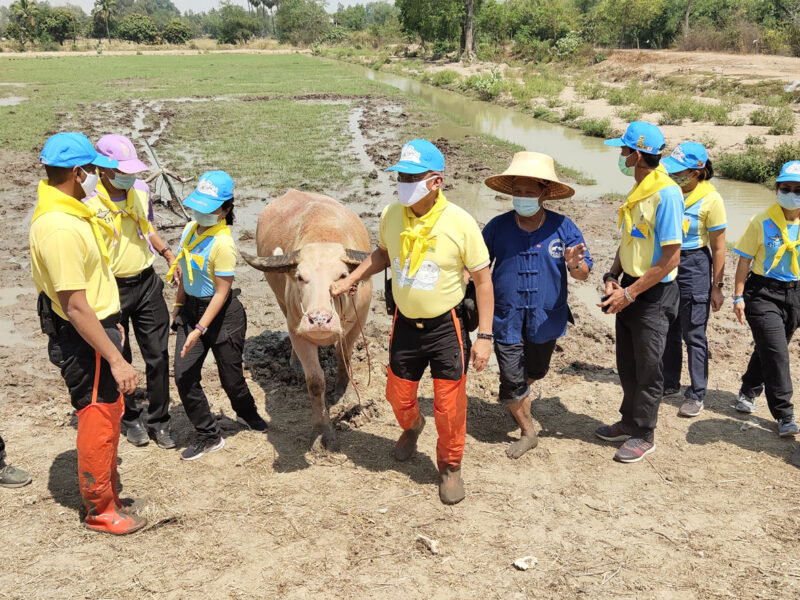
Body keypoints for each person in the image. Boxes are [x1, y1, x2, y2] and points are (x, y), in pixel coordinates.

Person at [331, 139, 494, 505]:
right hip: (405, 324)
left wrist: (485, 335)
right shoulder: (392, 215)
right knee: (397, 394)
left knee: (449, 404)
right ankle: (412, 425)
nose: (402, 182)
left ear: (435, 182)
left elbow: (483, 281)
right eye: (400, 175)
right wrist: (351, 279)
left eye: (411, 176)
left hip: (446, 327)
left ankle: (450, 466)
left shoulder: (460, 223)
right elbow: (384, 253)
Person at [30, 132, 146, 534]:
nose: (100, 177)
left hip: (99, 328)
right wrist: (115, 358)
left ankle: (108, 491)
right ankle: (100, 508)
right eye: (95, 171)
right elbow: (76, 306)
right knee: (98, 415)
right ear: (78, 173)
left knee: (109, 409)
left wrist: (114, 327)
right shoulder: (60, 228)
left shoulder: (71, 212)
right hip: (85, 338)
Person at [482, 152, 592, 458]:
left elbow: (584, 274)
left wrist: (573, 264)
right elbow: (477, 268)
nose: (522, 197)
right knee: (512, 375)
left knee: (536, 371)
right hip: (507, 316)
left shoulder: (562, 226)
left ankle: (519, 395)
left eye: (529, 193)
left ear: (544, 193)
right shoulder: (497, 227)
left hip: (546, 318)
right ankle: (528, 431)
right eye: (517, 192)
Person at [596, 122, 683, 463]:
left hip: (653, 293)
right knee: (627, 363)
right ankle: (629, 420)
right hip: (630, 286)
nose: (620, 156)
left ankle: (645, 433)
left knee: (649, 366)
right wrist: (611, 275)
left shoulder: (667, 194)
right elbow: (629, 239)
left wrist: (629, 294)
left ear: (637, 155)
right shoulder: (640, 188)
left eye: (624, 150)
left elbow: (670, 257)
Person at [85, 134, 178, 449]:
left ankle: (160, 421)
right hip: (112, 289)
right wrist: (104, 304)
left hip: (147, 283)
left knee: (158, 354)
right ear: (103, 168)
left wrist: (167, 254)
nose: (130, 176)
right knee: (120, 357)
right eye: (123, 171)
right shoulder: (88, 201)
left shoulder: (140, 190)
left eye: (132, 171)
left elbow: (146, 227)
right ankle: (130, 418)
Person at [170, 171, 268, 461]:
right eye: (199, 205)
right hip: (191, 311)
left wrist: (199, 329)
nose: (202, 212)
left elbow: (221, 293)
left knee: (231, 377)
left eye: (210, 207)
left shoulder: (224, 245)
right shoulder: (189, 230)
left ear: (225, 209)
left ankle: (247, 414)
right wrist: (177, 309)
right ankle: (208, 435)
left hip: (223, 316)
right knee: (184, 375)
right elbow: (183, 275)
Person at [731, 160, 800, 438]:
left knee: (771, 348)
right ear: (776, 189)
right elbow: (744, 260)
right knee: (777, 353)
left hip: (796, 293)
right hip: (763, 293)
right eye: (787, 188)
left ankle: (748, 390)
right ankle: (785, 413)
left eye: (799, 189)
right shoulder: (761, 221)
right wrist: (737, 296)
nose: (792, 193)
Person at [660, 142, 727, 417]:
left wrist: (717, 286)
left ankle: (697, 393)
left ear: (697, 172)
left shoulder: (711, 200)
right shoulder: (669, 191)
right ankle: (670, 382)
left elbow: (719, 247)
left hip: (694, 265)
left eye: (681, 171)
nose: (676, 175)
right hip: (668, 261)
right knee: (670, 327)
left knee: (694, 333)